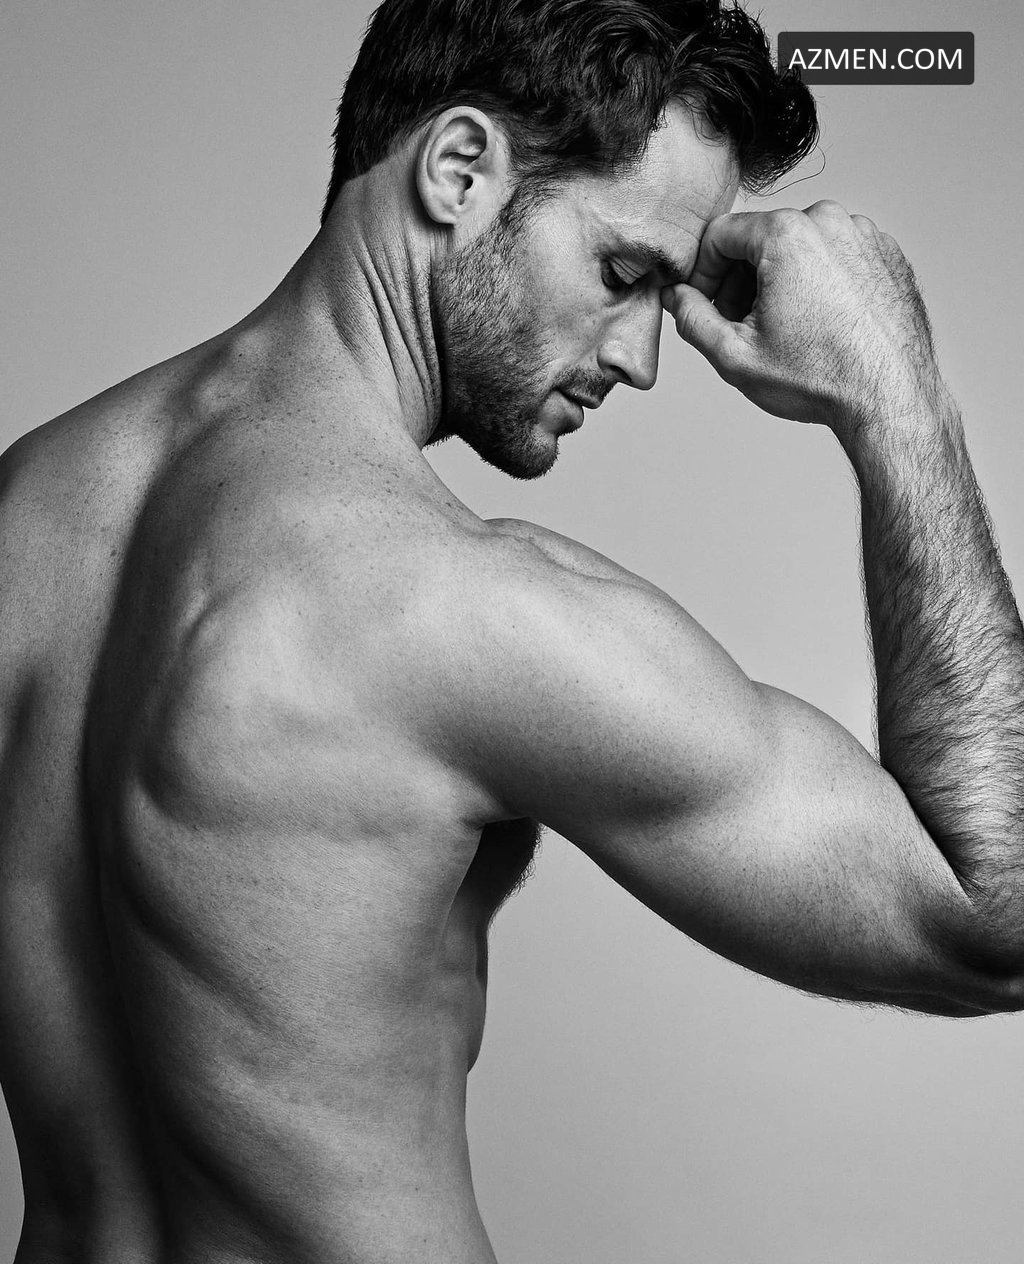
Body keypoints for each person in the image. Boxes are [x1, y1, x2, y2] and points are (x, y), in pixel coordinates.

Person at [1, 0, 1021, 1259]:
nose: (642, 358)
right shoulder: (457, 608)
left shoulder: (25, 509)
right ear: (458, 169)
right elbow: (993, 920)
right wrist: (896, 397)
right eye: (623, 274)